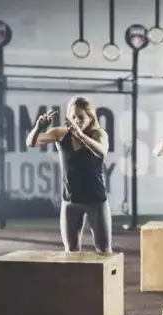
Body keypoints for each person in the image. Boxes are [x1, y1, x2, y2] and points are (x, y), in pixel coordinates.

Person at [25, 96, 112, 253]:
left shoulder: (99, 134)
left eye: (81, 117)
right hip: (70, 202)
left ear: (91, 117)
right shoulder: (61, 133)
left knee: (104, 250)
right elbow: (31, 142)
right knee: (71, 250)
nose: (76, 121)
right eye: (73, 117)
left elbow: (102, 152)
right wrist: (38, 128)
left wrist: (81, 136)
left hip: (95, 200)